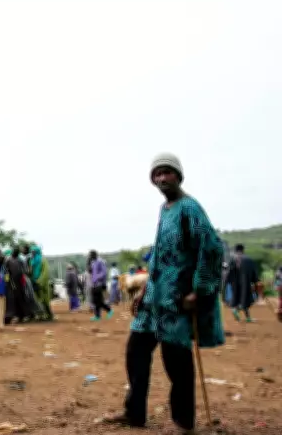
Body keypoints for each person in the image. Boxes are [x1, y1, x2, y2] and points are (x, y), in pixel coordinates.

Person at [104, 153, 224, 434]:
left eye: (166, 172)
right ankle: (134, 413)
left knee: (177, 362)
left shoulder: (190, 209)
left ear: (178, 175)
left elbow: (211, 249)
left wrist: (199, 291)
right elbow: (159, 253)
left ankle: (184, 423)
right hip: (155, 296)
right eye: (156, 174)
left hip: (177, 298)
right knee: (136, 351)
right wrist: (145, 287)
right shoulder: (165, 209)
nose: (161, 179)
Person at [225, 244, 260, 322]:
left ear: (235, 250)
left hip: (234, 284)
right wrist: (256, 280)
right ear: (243, 250)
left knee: (238, 299)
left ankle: (243, 315)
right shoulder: (248, 260)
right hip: (245, 283)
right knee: (246, 300)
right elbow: (254, 273)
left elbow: (227, 272)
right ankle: (238, 311)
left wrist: (228, 282)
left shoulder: (232, 259)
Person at [5, 248, 34, 323]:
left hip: (20, 283)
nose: (14, 253)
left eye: (15, 252)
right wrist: (7, 281)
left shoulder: (20, 261)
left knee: (21, 298)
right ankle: (17, 315)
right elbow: (6, 272)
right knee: (14, 299)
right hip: (12, 283)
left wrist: (23, 281)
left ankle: (24, 315)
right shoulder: (8, 260)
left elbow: (24, 271)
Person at [30, 245, 53, 321]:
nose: (32, 253)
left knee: (45, 301)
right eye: (31, 252)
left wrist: (39, 281)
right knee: (37, 300)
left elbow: (45, 272)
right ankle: (40, 315)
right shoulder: (32, 261)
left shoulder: (43, 260)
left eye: (33, 252)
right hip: (35, 283)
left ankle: (48, 315)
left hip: (43, 284)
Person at [89, 250, 113, 321]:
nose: (89, 257)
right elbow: (92, 272)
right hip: (94, 284)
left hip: (100, 284)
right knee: (95, 300)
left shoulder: (100, 261)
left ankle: (107, 311)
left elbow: (104, 272)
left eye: (90, 255)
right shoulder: (93, 262)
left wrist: (97, 278)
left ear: (94, 255)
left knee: (97, 300)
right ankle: (98, 315)